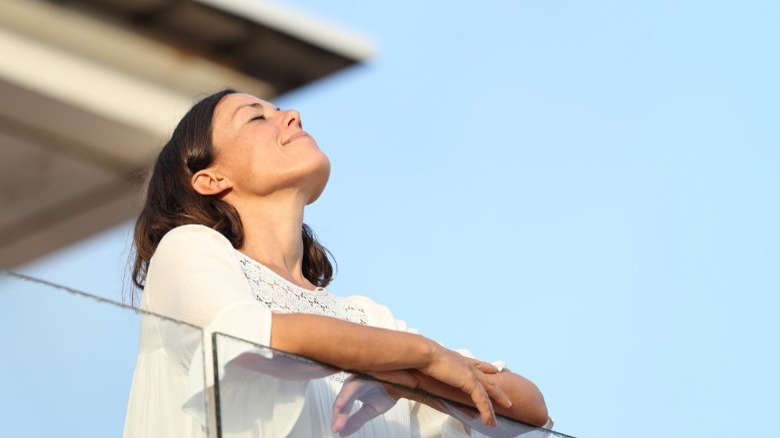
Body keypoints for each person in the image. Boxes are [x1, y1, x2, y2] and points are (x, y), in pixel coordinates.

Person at [123, 89, 551, 437]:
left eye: (279, 110)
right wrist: (420, 355)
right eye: (256, 118)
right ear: (211, 179)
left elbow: (529, 411)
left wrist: (417, 381)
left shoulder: (365, 317)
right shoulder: (187, 249)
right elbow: (253, 336)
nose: (292, 116)